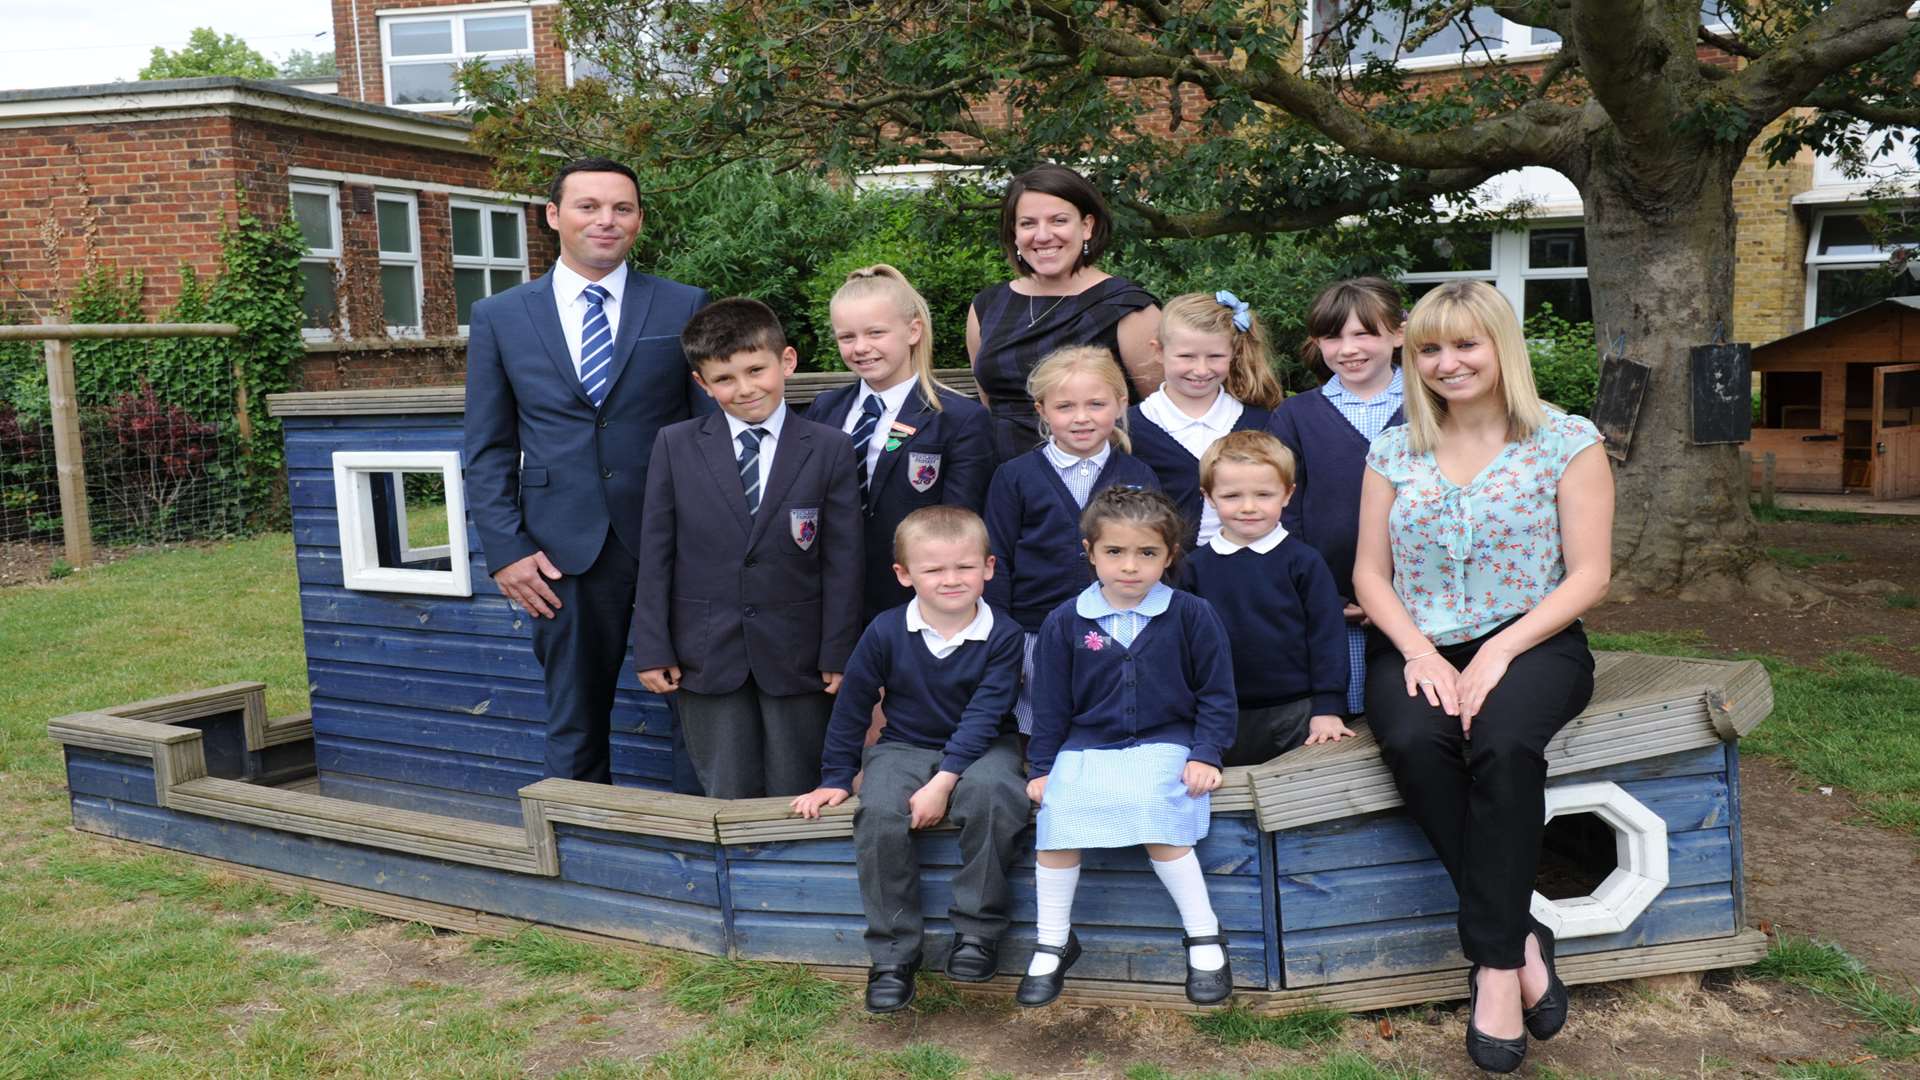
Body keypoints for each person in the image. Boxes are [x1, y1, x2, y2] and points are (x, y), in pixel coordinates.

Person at [1351, 280, 1613, 1074]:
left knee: (1500, 743)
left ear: (1501, 347)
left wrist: (1499, 652)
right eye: (1429, 348)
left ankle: (1495, 970)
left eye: (1465, 344)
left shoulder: (1566, 440)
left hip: (1535, 640)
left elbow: (1590, 572)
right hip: (1417, 640)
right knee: (1414, 739)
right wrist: (1422, 655)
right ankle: (1524, 938)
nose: (1447, 362)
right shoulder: (1396, 448)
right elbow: (1369, 573)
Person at [464, 157, 708, 787]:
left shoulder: (683, 304)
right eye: (588, 206)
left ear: (639, 220)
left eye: (621, 209)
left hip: (673, 540)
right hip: (558, 551)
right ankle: (579, 856)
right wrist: (506, 551)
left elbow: (709, 428)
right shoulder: (501, 316)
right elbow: (488, 446)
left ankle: (703, 855)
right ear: (554, 216)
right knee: (574, 719)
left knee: (699, 709)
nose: (606, 220)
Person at [790, 506, 1028, 1013]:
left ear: (988, 567)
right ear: (904, 575)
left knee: (994, 795)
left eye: (964, 567)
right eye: (933, 569)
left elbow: (986, 716)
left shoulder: (1004, 635)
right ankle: (894, 955)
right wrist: (835, 777)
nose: (950, 580)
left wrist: (942, 783)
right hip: (904, 743)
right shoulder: (884, 630)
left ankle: (977, 933)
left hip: (985, 745)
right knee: (877, 811)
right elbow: (853, 705)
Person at [631, 298, 864, 799]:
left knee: (799, 787)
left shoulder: (830, 448)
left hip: (800, 655)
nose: (745, 389)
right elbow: (656, 554)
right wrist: (652, 647)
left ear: (787, 361)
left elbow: (843, 562)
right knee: (726, 788)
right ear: (702, 384)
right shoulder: (674, 445)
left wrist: (839, 650)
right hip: (705, 653)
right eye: (725, 379)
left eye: (756, 370)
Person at [1020, 487, 1238, 1008]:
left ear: (1170, 556)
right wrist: (1043, 767)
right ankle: (1053, 940)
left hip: (1166, 740)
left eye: (1147, 553)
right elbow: (1050, 704)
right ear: (1090, 551)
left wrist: (1206, 753)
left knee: (1156, 807)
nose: (1130, 566)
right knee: (1058, 814)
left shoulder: (1191, 614)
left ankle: (1204, 934)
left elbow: (1216, 693)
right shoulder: (1065, 621)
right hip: (1087, 745)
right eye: (1114, 552)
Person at [982, 345, 1159, 733]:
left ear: (1120, 403)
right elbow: (997, 562)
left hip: (1117, 627)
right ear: (1042, 410)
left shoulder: (1137, 474)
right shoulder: (1015, 477)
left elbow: (1153, 554)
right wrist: (1004, 640)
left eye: (1096, 404)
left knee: (1109, 724)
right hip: (1034, 630)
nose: (1081, 418)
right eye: (1065, 407)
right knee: (1040, 731)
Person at [806, 265, 996, 624]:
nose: (861, 348)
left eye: (876, 333)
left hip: (912, 602)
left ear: (912, 330)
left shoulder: (959, 419)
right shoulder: (825, 410)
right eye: (846, 337)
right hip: (830, 600)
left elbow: (960, 523)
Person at [1269, 277, 1408, 719]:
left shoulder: (1433, 407)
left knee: (1413, 710)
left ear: (1398, 333)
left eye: (1364, 333)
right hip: (1334, 602)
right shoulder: (1295, 416)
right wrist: (1323, 593)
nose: (1348, 348)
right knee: (1344, 712)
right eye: (1333, 336)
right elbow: (1284, 512)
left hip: (1422, 602)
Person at [968, 165, 1162, 464]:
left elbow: (1158, 417)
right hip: (1001, 483)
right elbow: (989, 406)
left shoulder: (1130, 309)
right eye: (1028, 223)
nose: (1043, 236)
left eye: (1058, 221)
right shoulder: (987, 306)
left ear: (1087, 226)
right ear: (1014, 233)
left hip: (1100, 489)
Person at [1185, 431, 1352, 766]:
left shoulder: (1303, 562)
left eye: (1263, 494)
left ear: (1288, 494)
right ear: (1209, 497)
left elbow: (1327, 637)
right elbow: (1184, 646)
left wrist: (1328, 707)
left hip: (1296, 711)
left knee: (1298, 801)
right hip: (1218, 713)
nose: (1249, 507)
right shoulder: (1194, 568)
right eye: (1232, 496)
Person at [1127, 292, 1285, 547]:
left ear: (1232, 353)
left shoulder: (1262, 424)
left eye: (1215, 357)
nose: (1201, 370)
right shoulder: (1129, 428)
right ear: (1158, 351)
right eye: (1186, 356)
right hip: (1161, 578)